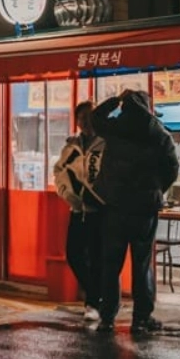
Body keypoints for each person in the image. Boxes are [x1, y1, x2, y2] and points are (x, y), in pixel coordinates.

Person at [91, 89, 178, 335]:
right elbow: (172, 167)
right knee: (141, 264)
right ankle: (141, 318)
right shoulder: (158, 133)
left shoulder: (115, 128)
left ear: (125, 106)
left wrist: (114, 100)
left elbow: (95, 118)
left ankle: (107, 317)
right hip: (144, 209)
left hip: (115, 207)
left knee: (111, 263)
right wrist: (156, 189)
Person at [53, 101, 106, 322]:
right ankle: (96, 296)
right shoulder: (71, 147)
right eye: (82, 118)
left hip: (100, 211)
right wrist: (67, 193)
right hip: (77, 210)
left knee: (96, 258)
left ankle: (93, 302)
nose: (85, 122)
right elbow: (58, 172)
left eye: (89, 117)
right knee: (74, 254)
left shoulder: (105, 144)